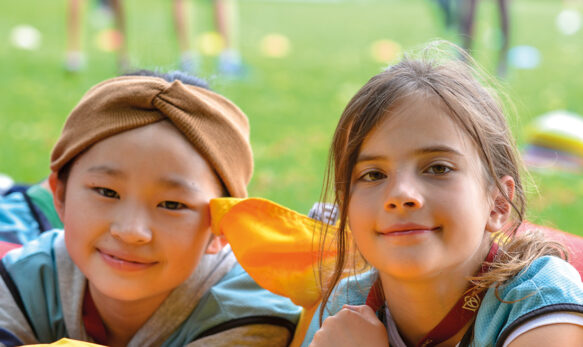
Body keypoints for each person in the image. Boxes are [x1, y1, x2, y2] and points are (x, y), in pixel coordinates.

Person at [302, 42, 583, 346]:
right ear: (347, 210)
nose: (401, 194)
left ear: (498, 203)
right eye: (373, 174)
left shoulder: (537, 296)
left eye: (437, 169)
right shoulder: (345, 307)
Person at [0, 71, 300, 346]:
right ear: (60, 196)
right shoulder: (23, 279)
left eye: (172, 204)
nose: (131, 231)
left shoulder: (245, 315)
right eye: (107, 191)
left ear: (221, 229)